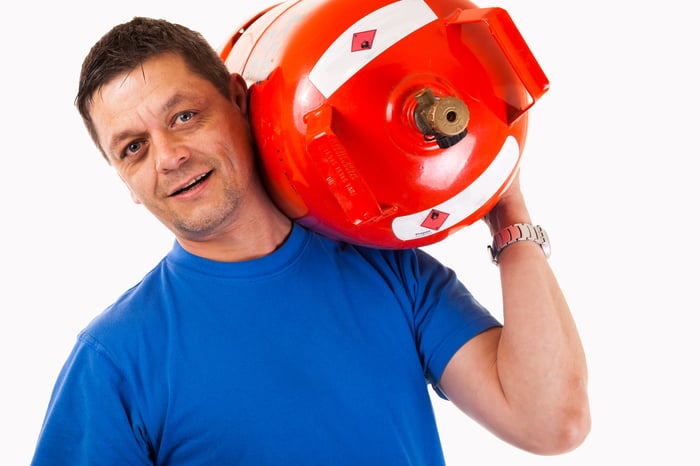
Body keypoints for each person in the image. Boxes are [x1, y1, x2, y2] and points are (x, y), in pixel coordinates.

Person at [31, 16, 590, 465]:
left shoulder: (391, 272)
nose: (169, 156)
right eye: (133, 148)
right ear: (123, 180)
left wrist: (505, 206)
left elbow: (551, 422)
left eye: (184, 116)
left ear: (238, 99)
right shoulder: (114, 359)